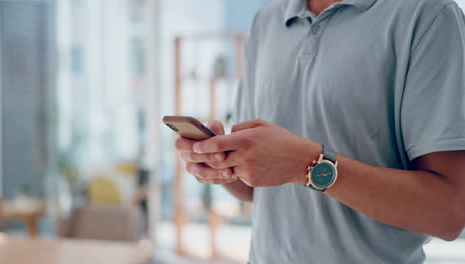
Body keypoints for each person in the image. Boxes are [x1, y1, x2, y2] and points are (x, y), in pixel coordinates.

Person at [175, 0, 465, 263]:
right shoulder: (265, 22)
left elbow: (449, 214)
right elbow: (258, 188)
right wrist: (220, 163)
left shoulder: (428, 16)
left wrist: (306, 165)